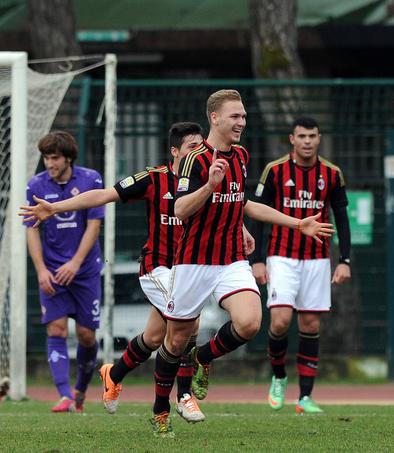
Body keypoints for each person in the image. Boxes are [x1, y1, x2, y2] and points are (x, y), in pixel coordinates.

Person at [20, 123, 237, 422]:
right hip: (158, 268)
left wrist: (244, 231)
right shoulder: (153, 179)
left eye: (202, 146)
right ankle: (184, 396)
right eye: (192, 147)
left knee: (153, 337)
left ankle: (114, 373)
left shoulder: (210, 177)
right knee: (190, 324)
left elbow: (229, 210)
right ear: (175, 151)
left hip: (190, 268)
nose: (200, 152)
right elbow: (103, 195)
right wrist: (57, 208)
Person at [150, 89, 334, 437]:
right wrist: (209, 186)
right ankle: (161, 411)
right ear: (215, 118)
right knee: (175, 342)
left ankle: (204, 357)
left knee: (250, 323)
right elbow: (179, 209)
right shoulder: (195, 159)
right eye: (236, 116)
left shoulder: (242, 155)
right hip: (193, 261)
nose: (242, 122)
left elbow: (243, 202)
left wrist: (298, 223)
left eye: (244, 116)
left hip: (231, 258)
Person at [250, 116, 351, 414]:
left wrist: (344, 260)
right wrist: (256, 260)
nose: (307, 141)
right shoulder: (275, 170)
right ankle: (279, 377)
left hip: (318, 260)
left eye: (312, 136)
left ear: (319, 139)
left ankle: (305, 397)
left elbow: (342, 220)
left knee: (310, 324)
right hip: (281, 256)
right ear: (292, 139)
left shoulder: (332, 174)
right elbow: (257, 213)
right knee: (280, 321)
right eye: (302, 136)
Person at [24, 131, 104, 413]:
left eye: (54, 157)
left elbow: (94, 225)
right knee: (56, 328)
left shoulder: (90, 179)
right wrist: (42, 270)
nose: (49, 163)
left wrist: (75, 263)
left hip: (85, 272)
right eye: (46, 157)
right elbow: (32, 232)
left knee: (86, 335)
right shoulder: (35, 185)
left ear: (68, 157)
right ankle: (64, 395)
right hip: (53, 273)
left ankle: (80, 389)